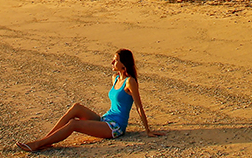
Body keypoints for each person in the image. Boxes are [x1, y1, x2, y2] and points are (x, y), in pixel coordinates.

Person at [17, 49, 163, 151]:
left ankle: (39, 144)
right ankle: (47, 140)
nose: (112, 62)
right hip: (105, 119)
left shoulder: (130, 82)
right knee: (76, 107)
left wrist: (148, 130)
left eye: (116, 60)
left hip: (115, 127)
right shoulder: (116, 78)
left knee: (74, 124)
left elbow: (139, 106)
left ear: (124, 65)